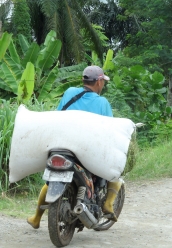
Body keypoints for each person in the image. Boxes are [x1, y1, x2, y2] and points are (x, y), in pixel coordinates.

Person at [27, 65, 122, 229]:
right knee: (115, 173)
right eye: (103, 82)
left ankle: (36, 217)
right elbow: (110, 131)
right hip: (87, 154)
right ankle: (108, 204)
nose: (103, 85)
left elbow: (58, 116)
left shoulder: (70, 92)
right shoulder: (102, 103)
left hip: (62, 148)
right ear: (99, 82)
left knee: (50, 182)